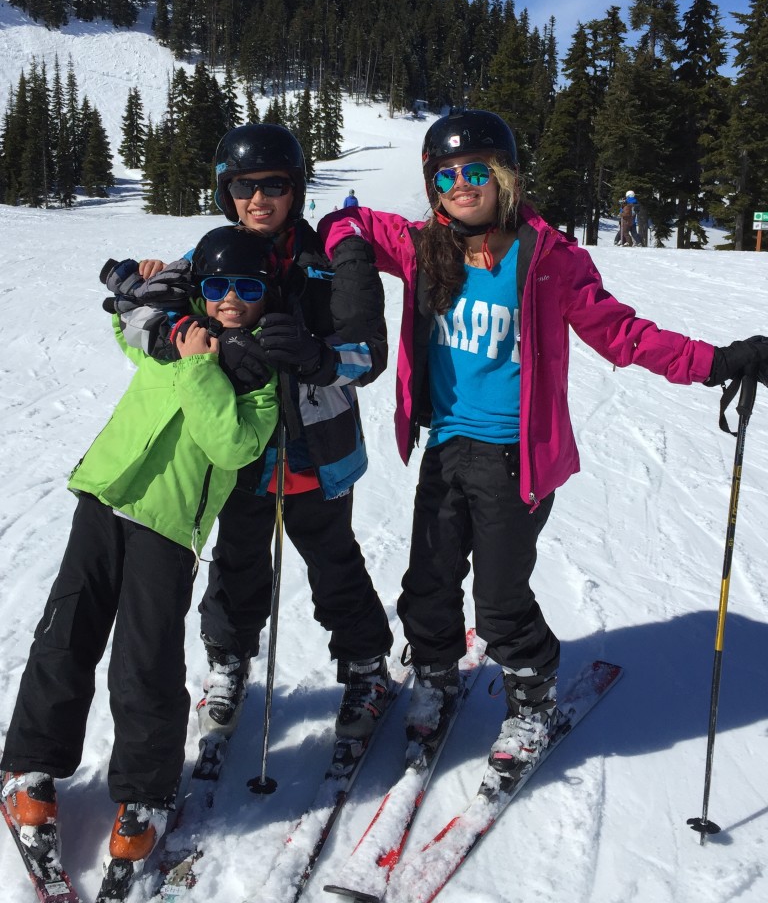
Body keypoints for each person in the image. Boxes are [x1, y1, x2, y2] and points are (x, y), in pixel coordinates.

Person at [318, 107, 768, 778]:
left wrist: (713, 362)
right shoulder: (423, 243)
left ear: (504, 176)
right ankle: (436, 680)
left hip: (514, 462)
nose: (460, 185)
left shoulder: (548, 257)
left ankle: (531, 699)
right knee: (427, 587)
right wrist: (346, 251)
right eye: (444, 176)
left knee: (500, 605)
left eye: (475, 171)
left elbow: (623, 334)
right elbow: (343, 222)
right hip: (445, 449)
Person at [0, 227, 278, 886]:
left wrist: (199, 366)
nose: (232, 298)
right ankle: (30, 765)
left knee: (144, 661)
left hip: (169, 525)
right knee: (65, 635)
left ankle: (146, 790)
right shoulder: (175, 333)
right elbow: (129, 334)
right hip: (105, 495)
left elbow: (234, 447)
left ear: (267, 296)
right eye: (218, 286)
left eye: (247, 287)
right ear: (202, 291)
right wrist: (152, 292)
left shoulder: (257, 373)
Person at [129, 123, 393, 746]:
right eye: (245, 186)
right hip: (241, 448)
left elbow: (371, 356)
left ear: (295, 190)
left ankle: (365, 665)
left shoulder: (327, 259)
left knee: (333, 562)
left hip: (315, 449)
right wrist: (172, 323)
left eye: (273, 185)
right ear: (228, 192)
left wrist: (322, 358)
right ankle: (227, 662)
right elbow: (141, 317)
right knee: (238, 562)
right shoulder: (212, 256)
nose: (258, 199)